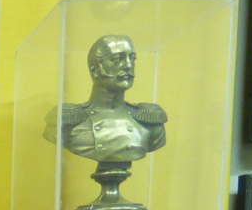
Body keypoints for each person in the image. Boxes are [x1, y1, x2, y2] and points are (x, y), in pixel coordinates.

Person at [45, 35, 166, 164]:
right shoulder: (67, 120)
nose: (128, 66)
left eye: (132, 58)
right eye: (117, 58)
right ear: (94, 70)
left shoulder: (149, 122)